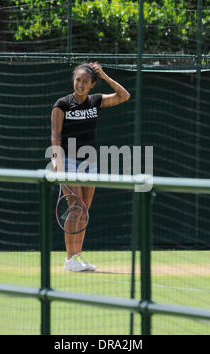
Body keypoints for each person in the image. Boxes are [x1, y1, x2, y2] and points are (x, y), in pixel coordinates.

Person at [51, 62, 130, 272]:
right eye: (78, 79)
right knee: (75, 208)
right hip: (67, 161)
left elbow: (124, 96)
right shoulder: (61, 104)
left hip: (89, 162)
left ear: (92, 84)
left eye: (85, 81)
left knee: (84, 211)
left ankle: (77, 256)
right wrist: (57, 163)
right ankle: (69, 259)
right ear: (73, 80)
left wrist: (103, 75)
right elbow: (55, 136)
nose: (80, 84)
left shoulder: (96, 101)